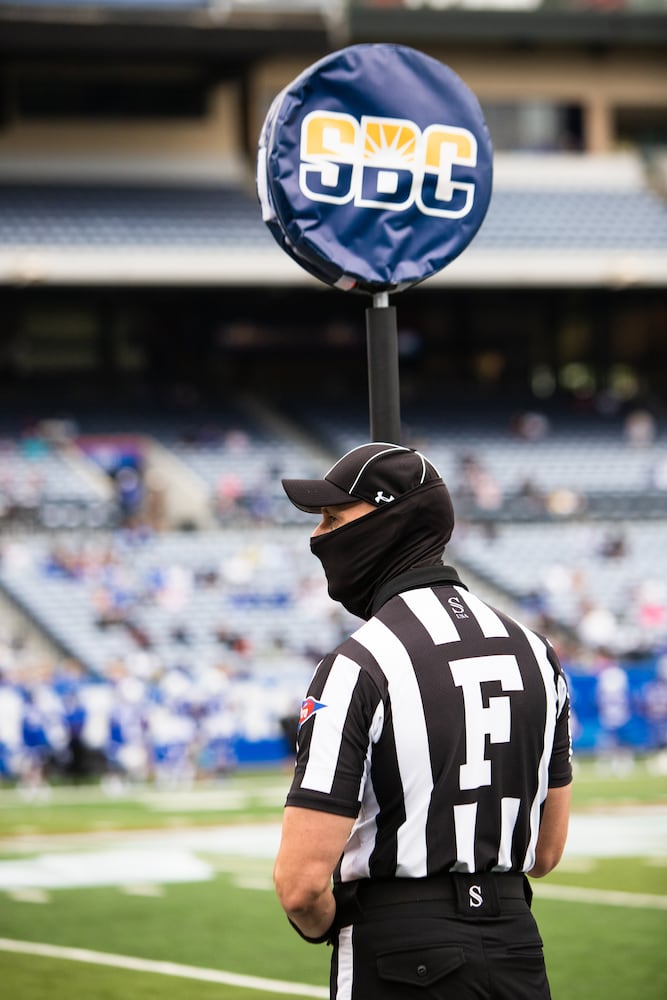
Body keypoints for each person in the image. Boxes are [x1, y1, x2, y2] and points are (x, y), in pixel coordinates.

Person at [274, 442, 572, 1000]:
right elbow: (547, 851)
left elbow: (300, 886)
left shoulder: (358, 664)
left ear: (392, 522)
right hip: (516, 944)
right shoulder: (537, 652)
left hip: (399, 949)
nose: (318, 537)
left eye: (335, 517)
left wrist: (329, 928)